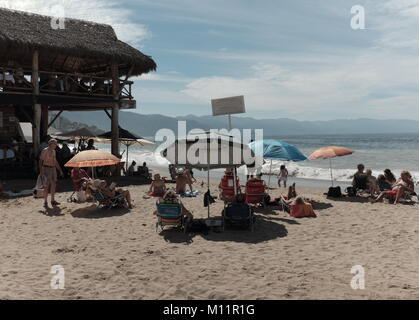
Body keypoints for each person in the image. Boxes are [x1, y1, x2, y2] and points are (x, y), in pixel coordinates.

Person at [39, 139, 64, 208]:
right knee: (46, 186)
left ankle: (52, 200)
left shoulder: (54, 151)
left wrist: (60, 170)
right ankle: (45, 202)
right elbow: (40, 160)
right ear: (51, 144)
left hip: (53, 169)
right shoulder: (45, 150)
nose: (56, 145)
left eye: (56, 144)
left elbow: (55, 161)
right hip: (46, 168)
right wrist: (41, 170)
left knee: (54, 184)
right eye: (55, 144)